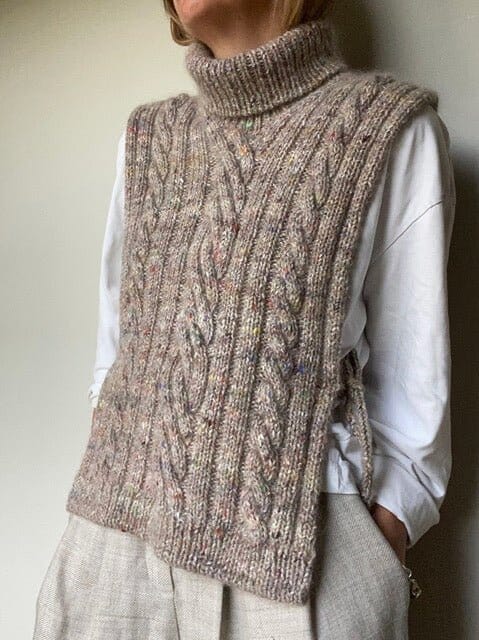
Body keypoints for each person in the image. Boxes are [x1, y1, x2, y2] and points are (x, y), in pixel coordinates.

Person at [33, 0, 456, 638]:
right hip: (115, 541)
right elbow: (116, 349)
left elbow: (412, 379)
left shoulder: (388, 127)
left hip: (299, 549)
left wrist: (384, 533)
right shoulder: (149, 138)